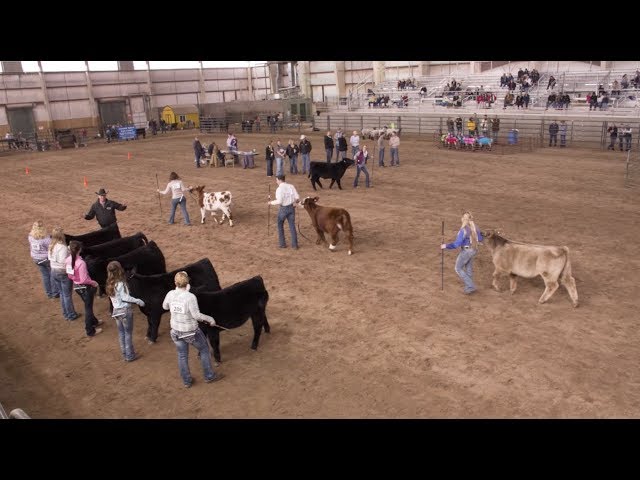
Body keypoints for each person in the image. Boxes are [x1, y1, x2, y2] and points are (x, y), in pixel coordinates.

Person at [162, 271, 224, 388]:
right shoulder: (190, 297)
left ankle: (187, 381)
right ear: (188, 282)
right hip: (191, 331)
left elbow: (164, 306)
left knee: (182, 355)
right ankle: (209, 376)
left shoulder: (170, 294)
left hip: (175, 331)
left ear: (175, 282)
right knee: (204, 350)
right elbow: (197, 316)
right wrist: (210, 319)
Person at [106, 261, 145, 362]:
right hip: (125, 311)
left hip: (116, 311)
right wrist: (138, 301)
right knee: (128, 334)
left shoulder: (109, 283)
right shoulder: (120, 283)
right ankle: (130, 356)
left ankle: (125, 353)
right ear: (120, 270)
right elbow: (125, 297)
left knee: (121, 333)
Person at [441, 211, 484, 295]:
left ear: (463, 219)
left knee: (458, 268)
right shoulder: (475, 227)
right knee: (468, 268)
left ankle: (470, 286)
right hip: (474, 249)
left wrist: (445, 246)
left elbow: (456, 244)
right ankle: (469, 288)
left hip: (467, 251)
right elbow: (481, 239)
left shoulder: (463, 230)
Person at [66, 240, 103, 336]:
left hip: (77, 286)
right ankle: (90, 330)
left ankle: (94, 322)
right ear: (80, 250)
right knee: (88, 308)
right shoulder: (81, 263)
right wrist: (93, 282)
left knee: (87, 305)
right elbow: (84, 279)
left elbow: (70, 276)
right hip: (85, 287)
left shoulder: (68, 260)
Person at [48, 227, 79, 321]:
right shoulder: (63, 247)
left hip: (54, 270)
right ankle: (71, 314)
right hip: (62, 272)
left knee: (62, 293)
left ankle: (66, 313)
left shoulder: (51, 245)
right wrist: (69, 253)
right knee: (67, 295)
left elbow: (50, 258)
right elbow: (63, 261)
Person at [267, 175, 300, 249]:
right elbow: (297, 197)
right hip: (291, 208)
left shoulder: (279, 189)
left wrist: (270, 203)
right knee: (292, 226)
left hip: (283, 209)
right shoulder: (291, 186)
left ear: (279, 180)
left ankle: (282, 244)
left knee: (280, 225)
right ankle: (295, 245)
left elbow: (279, 201)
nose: (276, 181)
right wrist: (295, 202)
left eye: (276, 180)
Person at [28, 220, 59, 299]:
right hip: (46, 259)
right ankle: (55, 292)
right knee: (52, 274)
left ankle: (49, 293)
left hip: (36, 259)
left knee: (45, 275)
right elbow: (51, 249)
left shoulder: (30, 237)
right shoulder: (46, 238)